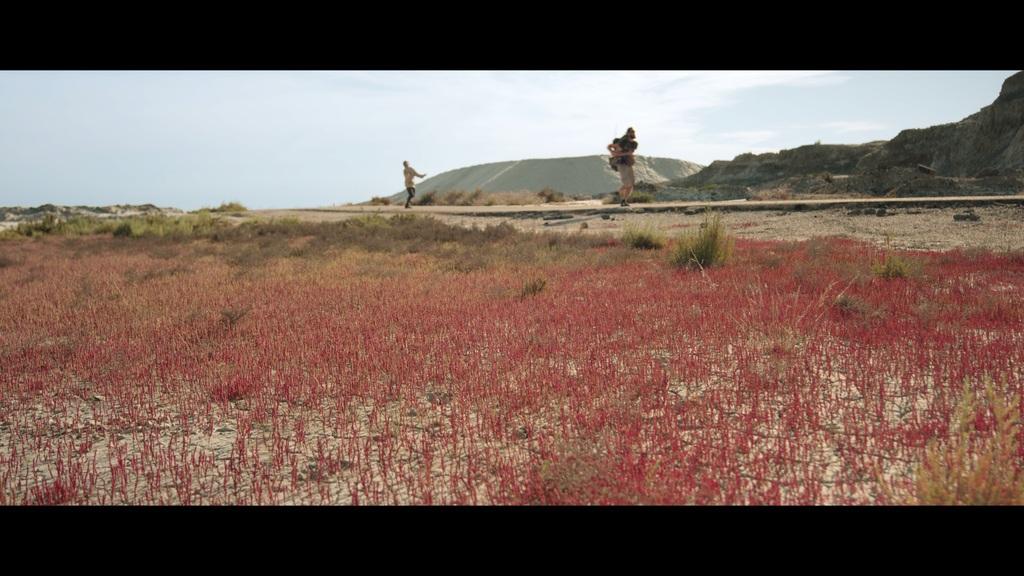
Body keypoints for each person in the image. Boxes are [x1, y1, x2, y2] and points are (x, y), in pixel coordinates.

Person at [607, 127, 638, 206]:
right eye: (631, 132)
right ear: (627, 133)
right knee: (627, 183)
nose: (633, 134)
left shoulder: (634, 143)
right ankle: (622, 198)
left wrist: (619, 154)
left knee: (631, 183)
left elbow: (630, 152)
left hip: (628, 163)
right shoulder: (622, 141)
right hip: (621, 163)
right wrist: (612, 152)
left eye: (633, 132)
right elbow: (610, 146)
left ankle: (624, 200)